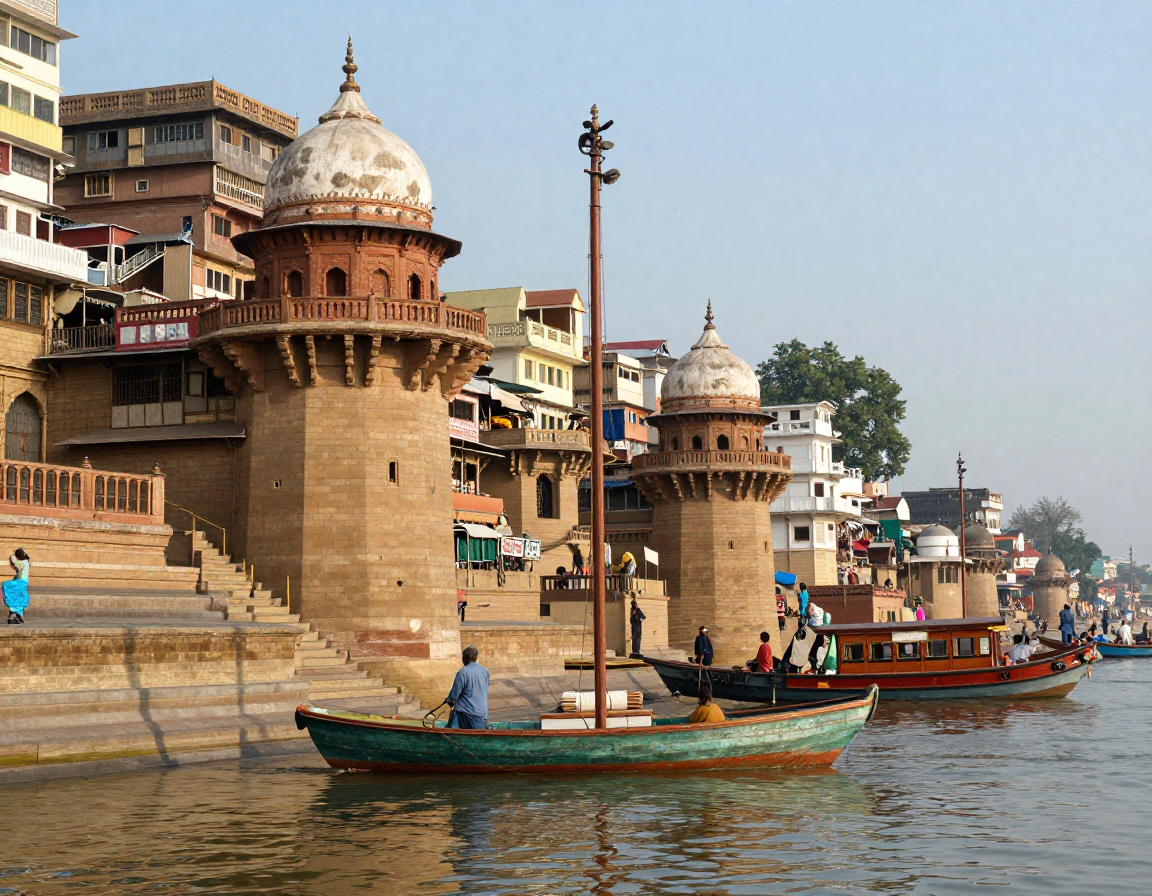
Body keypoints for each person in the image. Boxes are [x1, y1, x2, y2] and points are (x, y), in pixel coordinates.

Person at [444, 645, 489, 729]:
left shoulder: (463, 672)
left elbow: (454, 695)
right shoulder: (485, 671)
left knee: (455, 715)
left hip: (467, 712)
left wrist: (449, 700)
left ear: (464, 658)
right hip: (482, 711)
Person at [4, 548, 29, 625]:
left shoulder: (24, 562)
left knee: (11, 592)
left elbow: (15, 562)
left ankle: (13, 616)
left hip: (20, 584)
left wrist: (12, 555)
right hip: (20, 583)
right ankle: (18, 616)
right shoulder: (24, 563)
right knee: (18, 598)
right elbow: (15, 566)